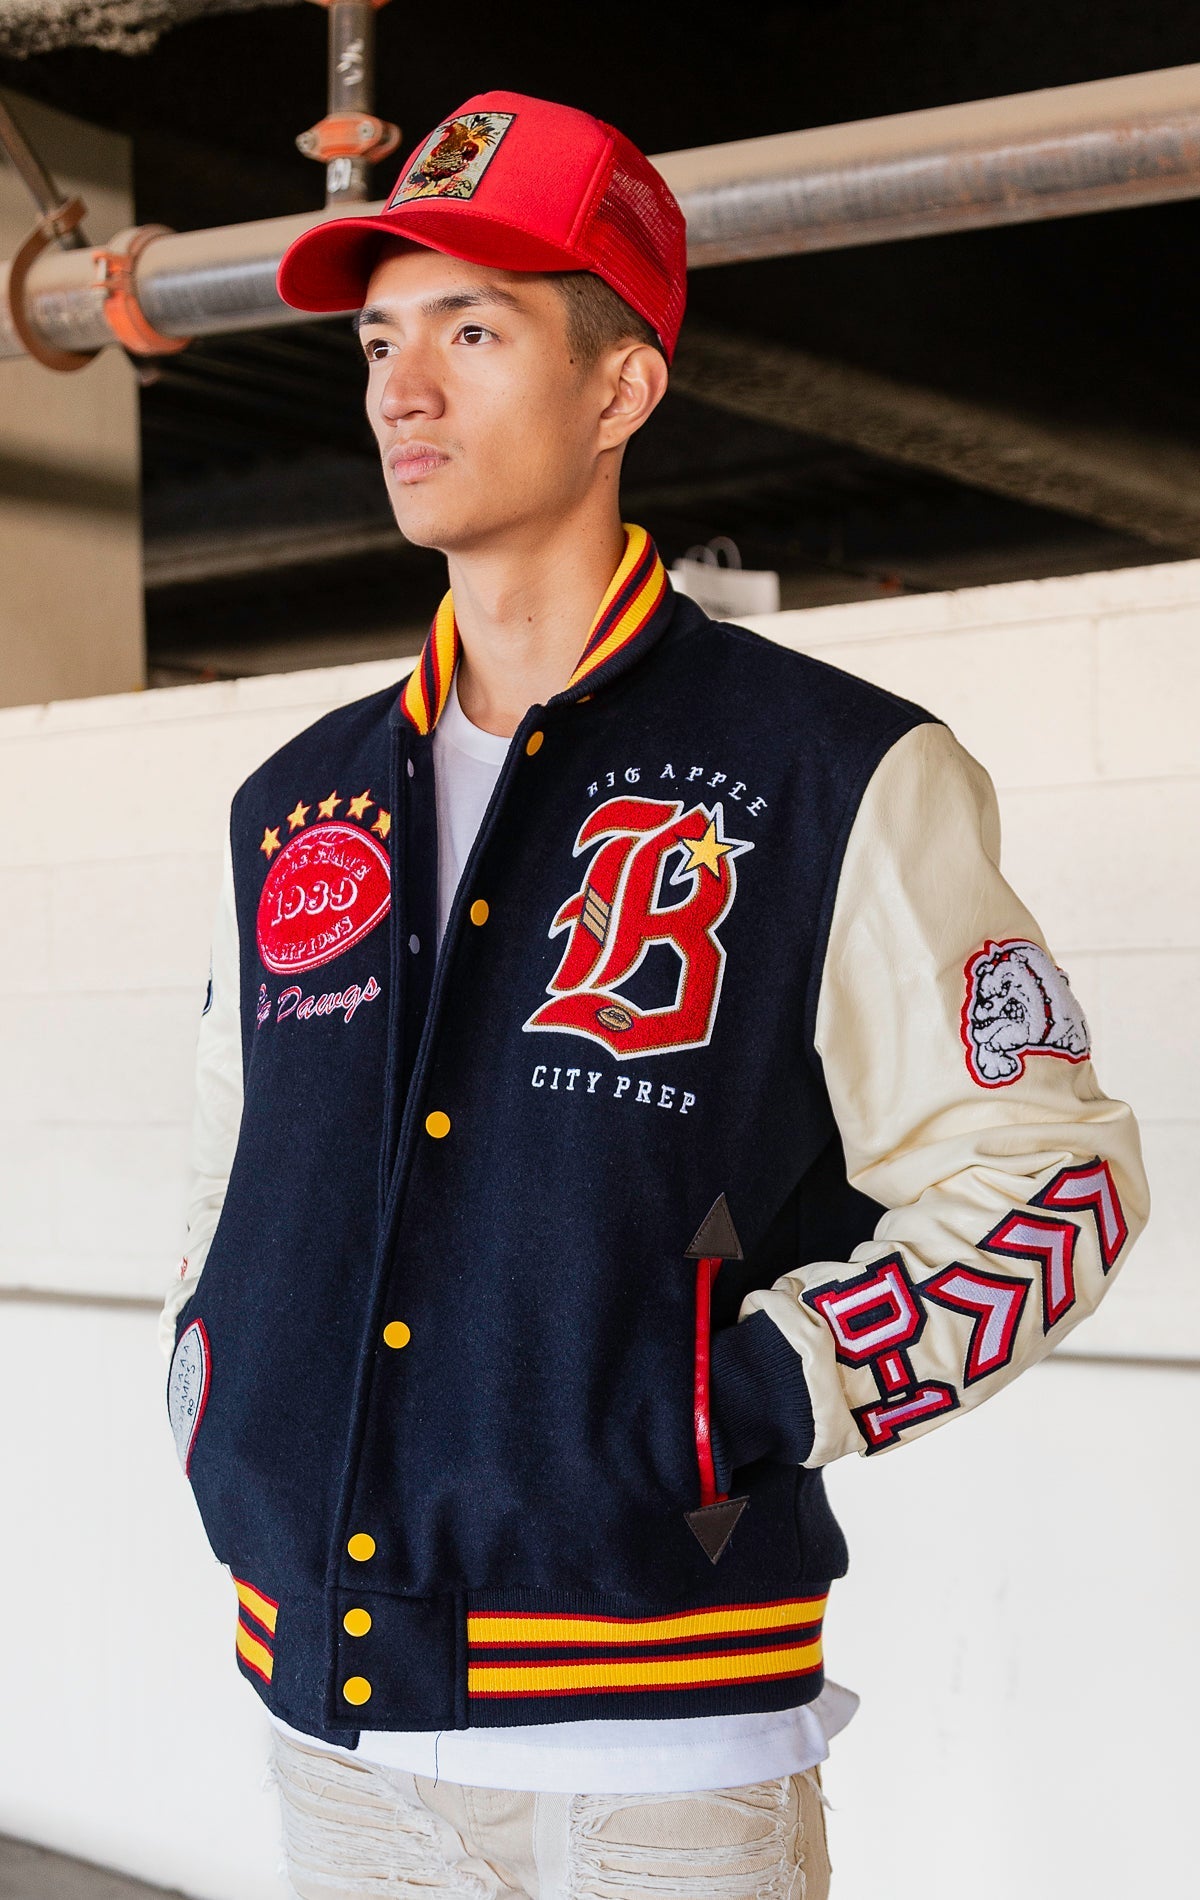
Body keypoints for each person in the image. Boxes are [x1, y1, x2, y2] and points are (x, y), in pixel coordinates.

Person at [158, 90, 1148, 1899]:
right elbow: (240, 1172)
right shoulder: (290, 800)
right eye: (381, 337)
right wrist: (213, 1374)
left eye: (474, 328)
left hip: (660, 1772)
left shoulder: (834, 767)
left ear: (621, 390)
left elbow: (1061, 1180)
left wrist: (744, 1400)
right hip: (327, 1735)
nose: (401, 388)